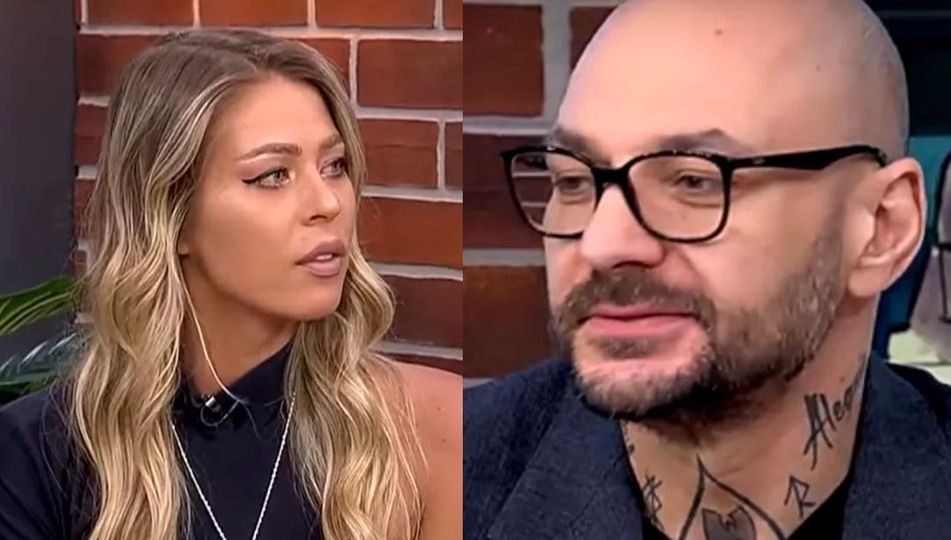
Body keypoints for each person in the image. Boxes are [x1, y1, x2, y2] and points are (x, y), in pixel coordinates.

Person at [464, 1, 951, 539]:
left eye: (695, 182)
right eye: (573, 181)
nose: (601, 244)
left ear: (882, 228)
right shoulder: (450, 478)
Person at [0, 29, 461, 540]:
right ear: (171, 214)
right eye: (273, 175)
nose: (328, 203)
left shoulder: (436, 430)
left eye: (335, 166)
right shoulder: (41, 452)